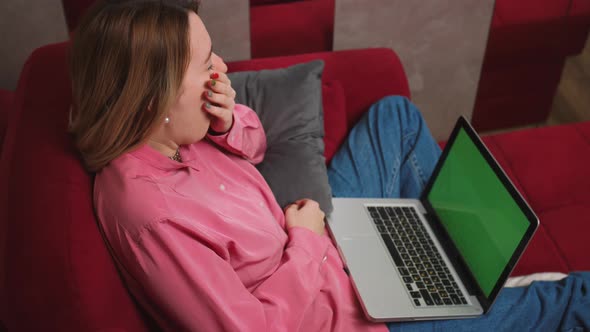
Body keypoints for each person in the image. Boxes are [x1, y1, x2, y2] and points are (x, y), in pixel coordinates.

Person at [69, 1, 589, 331]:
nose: (222, 69)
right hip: (339, 308)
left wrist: (227, 123)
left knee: (397, 118)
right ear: (156, 95)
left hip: (315, 239)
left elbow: (254, 147)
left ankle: (441, 262)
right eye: (207, 63)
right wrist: (308, 240)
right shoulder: (148, 214)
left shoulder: (168, 133)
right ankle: (450, 294)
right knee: (573, 298)